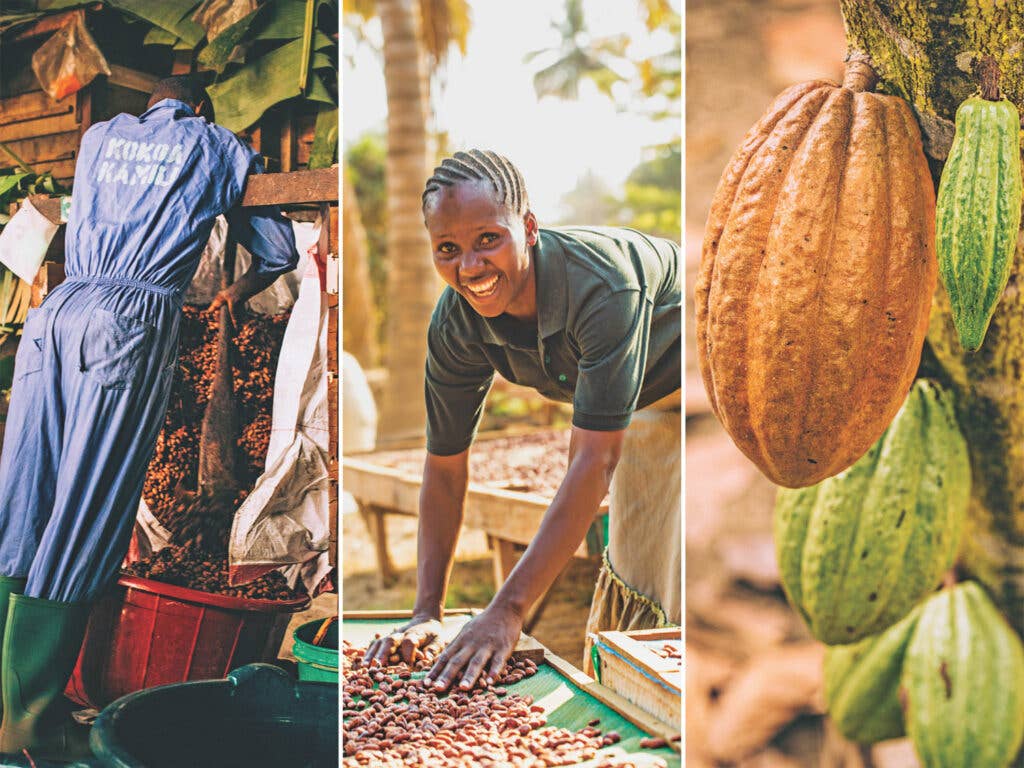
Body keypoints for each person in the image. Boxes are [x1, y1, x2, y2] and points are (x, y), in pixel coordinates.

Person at [0, 76, 298, 758]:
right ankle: (31, 726)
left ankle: (1, 708)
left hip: (58, 313)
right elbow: (278, 254)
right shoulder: (218, 145)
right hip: (128, 320)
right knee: (89, 506)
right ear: (201, 109)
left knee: (25, 496)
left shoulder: (99, 136)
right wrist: (237, 287)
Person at [365, 149, 681, 691]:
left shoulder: (602, 287)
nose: (470, 268)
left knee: (682, 587)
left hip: (703, 384)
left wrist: (508, 609)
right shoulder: (455, 325)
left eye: (488, 239)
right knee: (640, 580)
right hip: (636, 413)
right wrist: (426, 612)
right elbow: (444, 471)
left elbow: (595, 460)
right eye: (448, 249)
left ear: (529, 228)